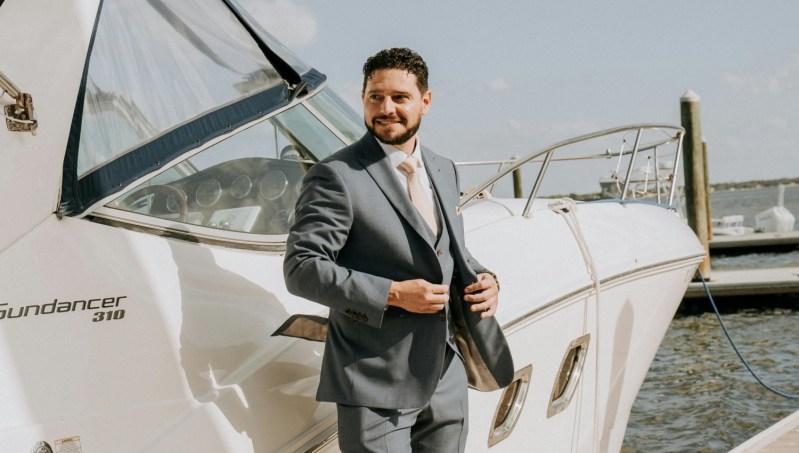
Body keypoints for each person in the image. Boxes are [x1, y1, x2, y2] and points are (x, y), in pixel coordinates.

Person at [283, 47, 514, 452]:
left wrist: (488, 279)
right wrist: (393, 294)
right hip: (373, 380)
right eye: (375, 96)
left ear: (425, 101)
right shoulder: (336, 176)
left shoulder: (444, 168)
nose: (385, 108)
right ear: (363, 98)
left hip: (447, 378)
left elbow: (449, 252)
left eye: (399, 98)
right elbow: (302, 268)